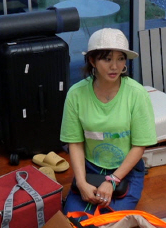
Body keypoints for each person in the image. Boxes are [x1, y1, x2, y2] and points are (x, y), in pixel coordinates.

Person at [60, 28, 157, 214]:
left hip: (126, 170)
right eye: (107, 59)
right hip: (90, 168)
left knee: (108, 226)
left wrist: (113, 180)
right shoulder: (76, 94)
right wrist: (81, 182)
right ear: (92, 60)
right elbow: (75, 143)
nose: (115, 66)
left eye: (120, 58)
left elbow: (139, 146)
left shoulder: (137, 94)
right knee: (73, 222)